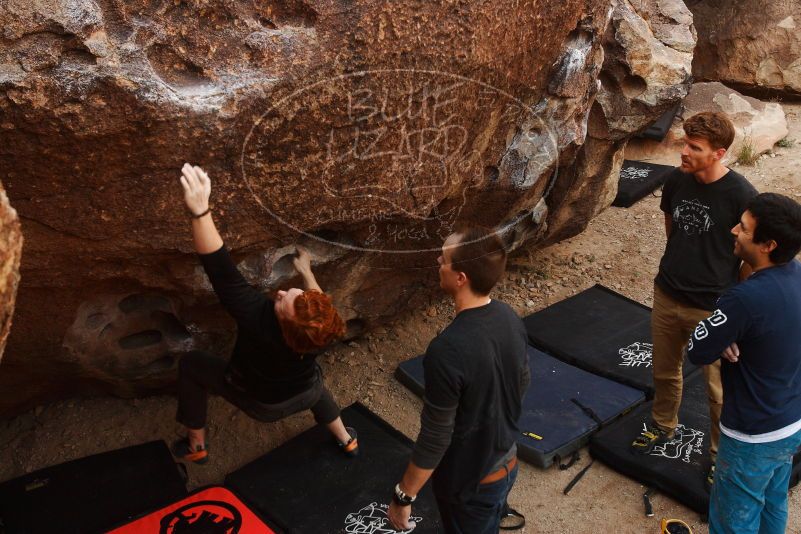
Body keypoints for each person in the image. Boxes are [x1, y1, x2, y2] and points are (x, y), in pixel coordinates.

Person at [172, 163, 356, 464]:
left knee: (192, 364)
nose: (281, 292)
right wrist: (307, 273)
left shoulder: (257, 317)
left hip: (261, 403)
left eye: (283, 300)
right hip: (304, 392)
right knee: (316, 387)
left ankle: (196, 445)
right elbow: (319, 306)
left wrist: (200, 211)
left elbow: (221, 271)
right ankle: (345, 438)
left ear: (282, 321)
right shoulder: (325, 332)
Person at [630, 112, 758, 487]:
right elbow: (672, 230)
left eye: (694, 148)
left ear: (719, 153)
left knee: (718, 391)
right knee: (665, 370)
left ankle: (722, 457)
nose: (683, 152)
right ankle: (662, 425)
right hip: (668, 292)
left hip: (712, 307)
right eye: (685, 143)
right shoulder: (675, 180)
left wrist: (732, 303)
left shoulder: (742, 195)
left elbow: (748, 259)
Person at [387, 226, 529, 534]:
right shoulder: (509, 317)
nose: (439, 260)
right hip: (507, 463)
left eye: (445, 259)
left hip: (471, 485)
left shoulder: (446, 350)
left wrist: (403, 496)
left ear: (461, 278)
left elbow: (436, 436)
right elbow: (522, 381)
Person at [686, 193, 801, 534]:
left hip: (752, 434)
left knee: (731, 522)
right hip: (790, 422)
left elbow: (697, 348)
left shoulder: (744, 299)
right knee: (772, 501)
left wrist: (723, 339)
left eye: (745, 228)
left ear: (768, 244)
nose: (734, 230)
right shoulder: (796, 276)